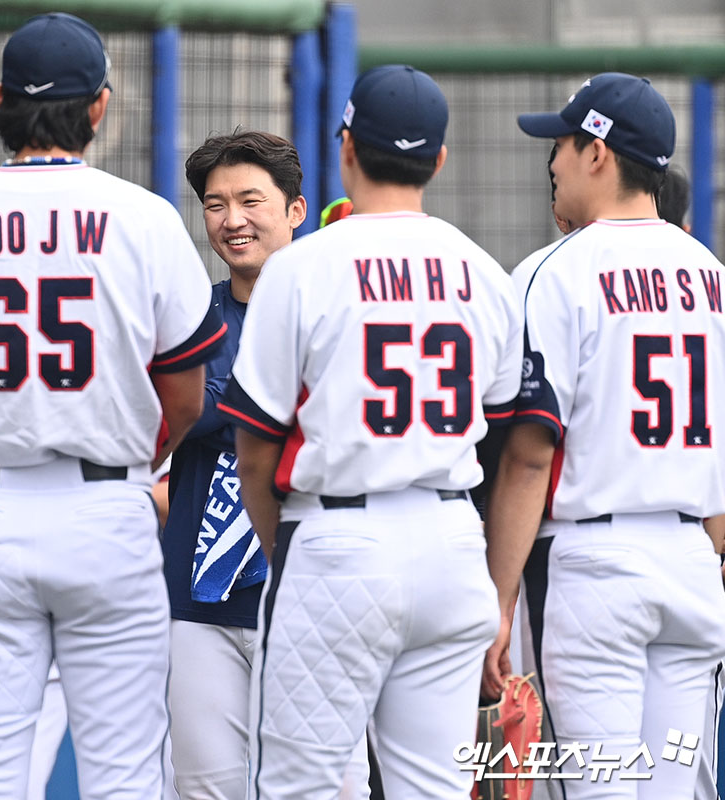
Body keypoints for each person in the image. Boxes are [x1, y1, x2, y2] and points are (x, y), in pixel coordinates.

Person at [0, 13, 225, 799]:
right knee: (125, 774)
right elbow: (184, 392)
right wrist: (134, 457)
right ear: (99, 106)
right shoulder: (144, 217)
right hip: (108, 509)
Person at [224, 64, 523, 798]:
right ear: (439, 160)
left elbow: (255, 448)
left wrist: (288, 545)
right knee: (435, 787)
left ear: (347, 147)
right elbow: (505, 431)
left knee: (305, 786)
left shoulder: (302, 267)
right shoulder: (486, 271)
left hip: (338, 538)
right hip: (453, 543)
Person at [483, 72, 725, 798]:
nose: (552, 162)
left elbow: (529, 457)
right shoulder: (712, 274)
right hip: (693, 562)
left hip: (592, 572)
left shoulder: (552, 272)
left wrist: (497, 602)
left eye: (561, 144)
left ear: (598, 152)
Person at [168, 130, 365, 800]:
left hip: (317, 589)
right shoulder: (190, 318)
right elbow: (174, 418)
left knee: (332, 788)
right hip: (198, 602)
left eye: (251, 200)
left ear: (296, 210)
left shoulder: (340, 312)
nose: (233, 220)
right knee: (205, 788)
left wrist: (219, 398)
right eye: (215, 204)